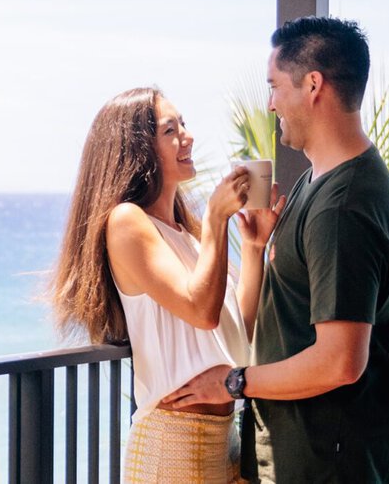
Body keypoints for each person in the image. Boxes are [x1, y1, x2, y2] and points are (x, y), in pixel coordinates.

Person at [159, 16, 389, 482]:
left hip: (326, 467)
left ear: (313, 85)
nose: (271, 104)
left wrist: (234, 382)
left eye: (275, 87)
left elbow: (340, 361)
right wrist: (256, 248)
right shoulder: (315, 183)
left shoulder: (343, 207)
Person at [48, 86, 281, 483]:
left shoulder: (185, 236)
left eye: (184, 125)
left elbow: (234, 334)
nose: (186, 136)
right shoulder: (127, 221)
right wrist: (214, 220)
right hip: (172, 444)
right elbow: (200, 310)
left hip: (222, 441)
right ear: (137, 149)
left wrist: (254, 248)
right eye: (170, 130)